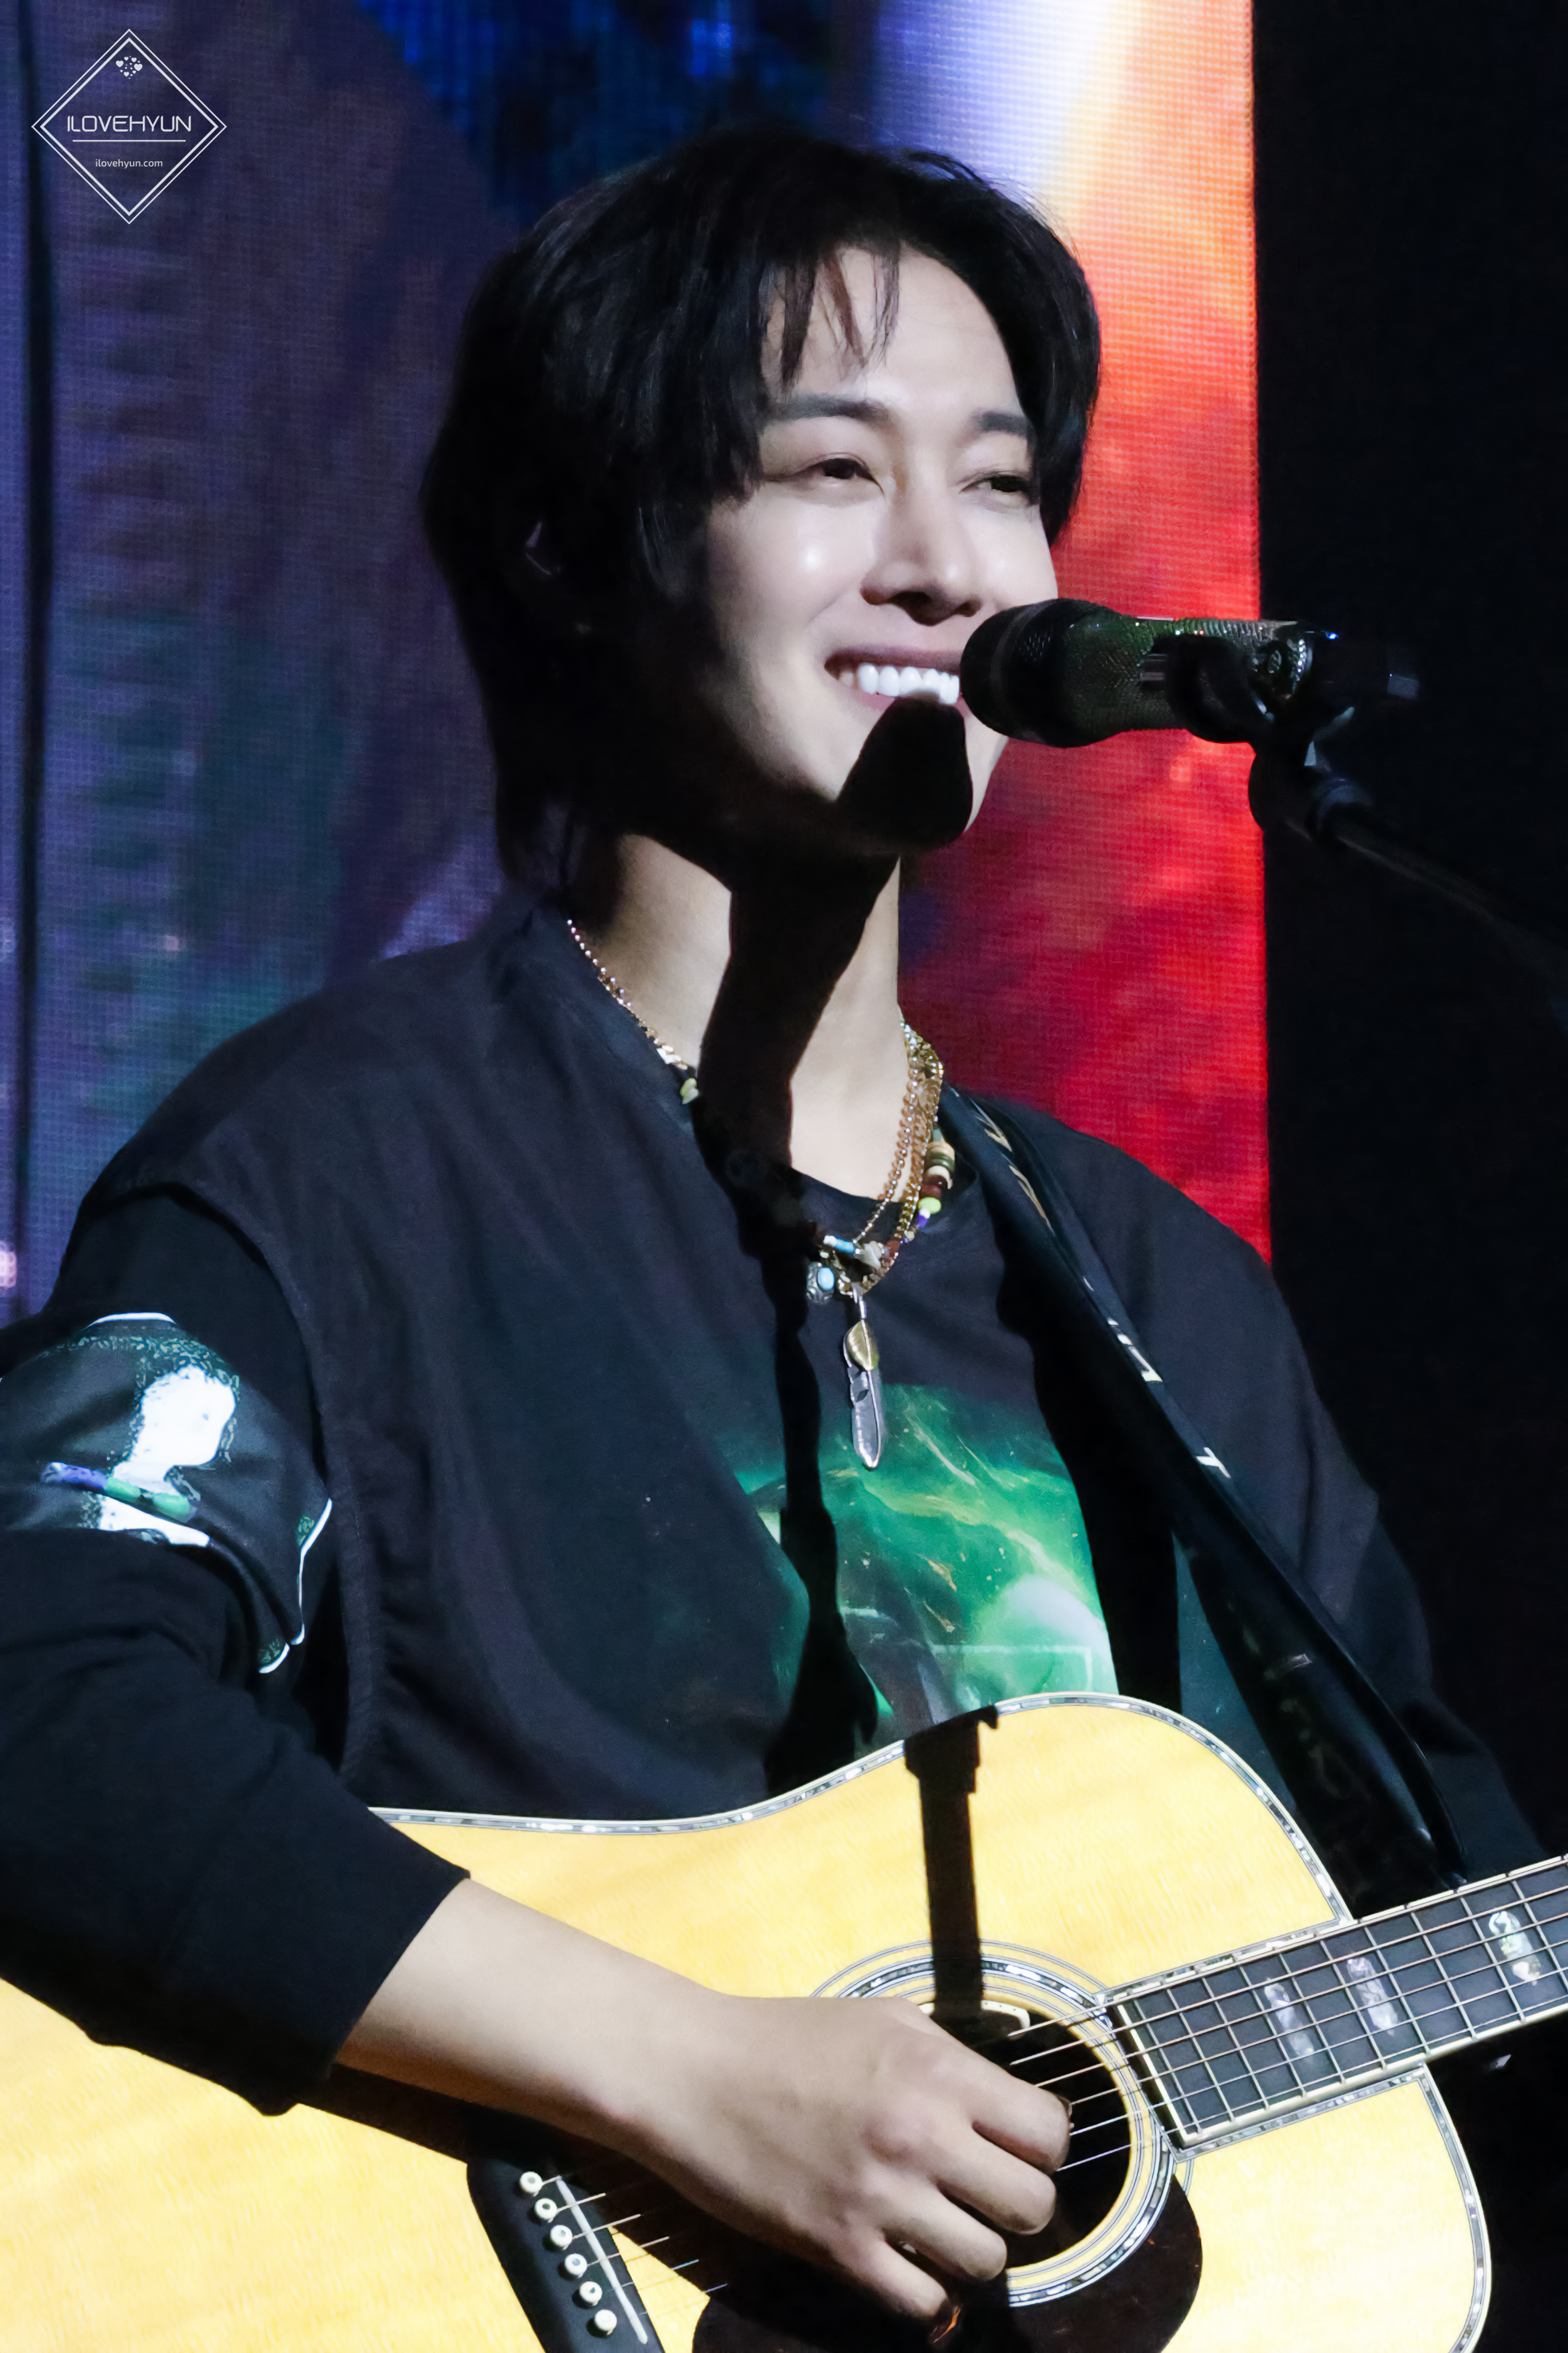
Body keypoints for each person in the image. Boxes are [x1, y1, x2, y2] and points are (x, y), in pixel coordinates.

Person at [0, 127, 1536, 2327]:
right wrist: (700, 2077)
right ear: (576, 548)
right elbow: (41, 1699)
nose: (943, 564)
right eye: (831, 467)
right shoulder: (335, 1170)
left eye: (1000, 483)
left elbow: (1452, 1924)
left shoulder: (1162, 1303)